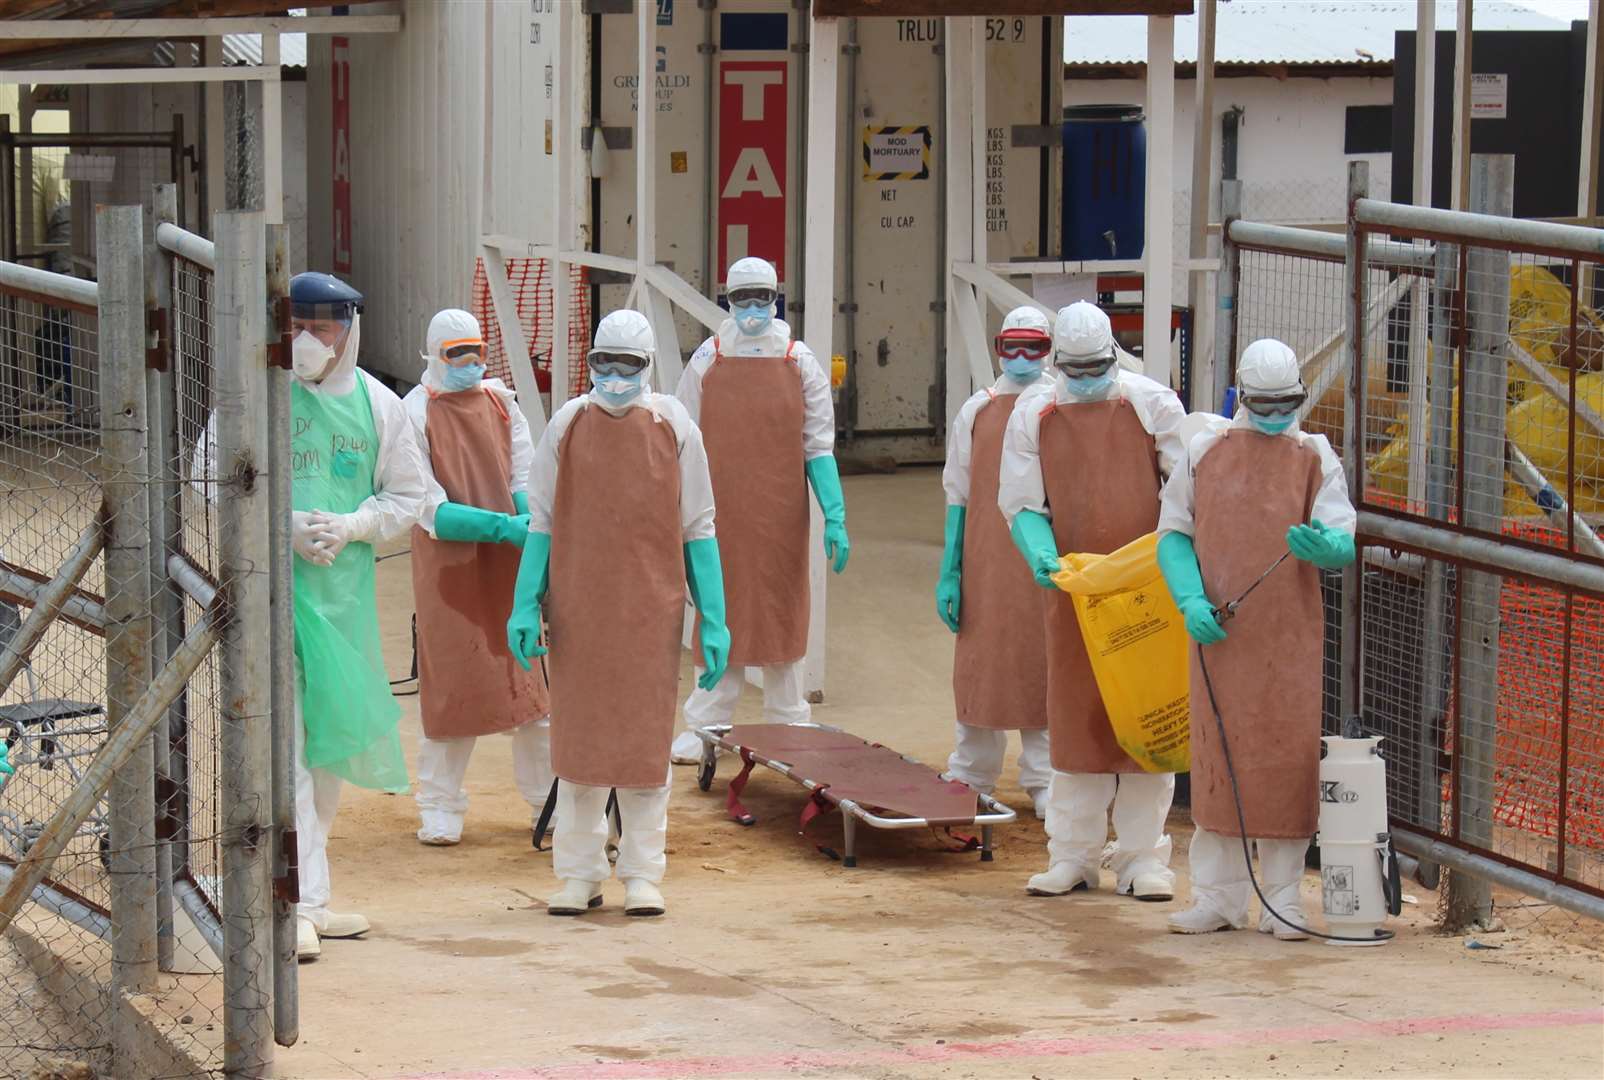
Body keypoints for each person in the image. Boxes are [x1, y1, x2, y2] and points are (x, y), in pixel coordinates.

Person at [507, 310, 730, 917]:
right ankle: (579, 872)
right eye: (602, 365)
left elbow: (698, 526)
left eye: (625, 367)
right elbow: (543, 520)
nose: (612, 377)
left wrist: (714, 615)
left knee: (642, 746)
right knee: (579, 747)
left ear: (648, 367)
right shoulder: (567, 425)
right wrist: (526, 601)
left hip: (650, 611)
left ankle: (641, 872)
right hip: (579, 609)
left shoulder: (675, 426)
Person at [1156, 338, 1356, 939]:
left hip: (1288, 638)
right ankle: (1217, 897)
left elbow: (1342, 530)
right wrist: (1190, 599)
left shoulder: (1315, 457)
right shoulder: (1204, 451)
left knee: (1284, 761)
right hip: (1220, 635)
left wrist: (1331, 548)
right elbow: (1173, 533)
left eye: (1286, 403)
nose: (1275, 416)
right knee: (1217, 756)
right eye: (1263, 404)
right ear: (1242, 396)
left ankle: (1284, 898)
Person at [998, 301, 1188, 902]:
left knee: (1144, 718)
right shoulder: (1034, 412)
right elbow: (1022, 501)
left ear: (1114, 355)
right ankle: (1073, 856)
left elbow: (1184, 492)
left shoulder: (1152, 403)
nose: (1085, 378)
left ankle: (1142, 860)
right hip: (1075, 590)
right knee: (1076, 721)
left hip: (1145, 586)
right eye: (1073, 368)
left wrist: (1173, 564)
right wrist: (1040, 553)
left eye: (1096, 366)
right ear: (1058, 363)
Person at [285, 272, 426, 960]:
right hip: (272, 599)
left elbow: (408, 496)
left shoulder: (377, 404)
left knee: (330, 746)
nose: (309, 340)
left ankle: (308, 891)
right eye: (298, 325)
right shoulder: (255, 393)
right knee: (286, 749)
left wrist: (351, 525)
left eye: (324, 326)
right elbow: (207, 476)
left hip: (342, 602)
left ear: (350, 327)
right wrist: (280, 525)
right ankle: (298, 901)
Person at [668, 257, 847, 765]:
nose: (752, 309)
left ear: (776, 299)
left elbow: (818, 445)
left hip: (781, 513)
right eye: (742, 299)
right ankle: (705, 723)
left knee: (780, 608)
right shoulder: (708, 359)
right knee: (719, 606)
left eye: (761, 299)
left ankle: (789, 719)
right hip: (716, 513)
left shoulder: (799, 360)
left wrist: (833, 512)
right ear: (727, 299)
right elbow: (680, 437)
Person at [402, 309, 551, 847]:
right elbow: (429, 509)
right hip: (450, 571)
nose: (470, 364)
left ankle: (545, 801)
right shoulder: (412, 413)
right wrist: (502, 526)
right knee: (453, 688)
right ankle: (440, 807)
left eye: (477, 352)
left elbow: (523, 474)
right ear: (433, 354)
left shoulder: (501, 402)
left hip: (511, 561)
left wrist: (526, 526)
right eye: (456, 354)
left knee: (531, 688)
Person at [937, 306, 1055, 818]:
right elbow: (958, 491)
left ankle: (1048, 778)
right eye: (1013, 347)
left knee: (1046, 663)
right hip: (986, 560)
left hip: (1046, 561)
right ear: (998, 349)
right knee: (981, 665)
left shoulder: (1060, 406)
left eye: (1034, 347)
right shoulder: (977, 410)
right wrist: (951, 567)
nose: (1023, 358)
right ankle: (972, 772)